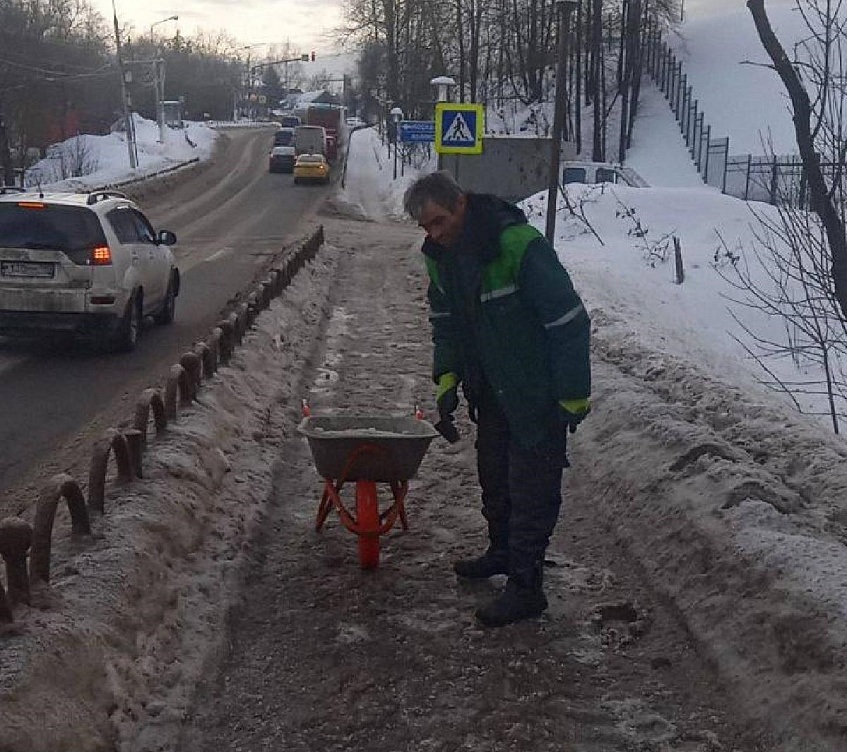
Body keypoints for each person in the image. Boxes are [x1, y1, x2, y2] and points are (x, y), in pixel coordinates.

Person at [403, 171, 591, 628]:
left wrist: (571, 395)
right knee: (495, 478)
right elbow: (446, 323)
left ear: (462, 204)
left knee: (532, 489)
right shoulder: (442, 259)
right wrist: (448, 378)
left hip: (535, 392)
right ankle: (503, 553)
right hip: (490, 390)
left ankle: (527, 588)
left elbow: (569, 320)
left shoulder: (519, 246)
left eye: (440, 221)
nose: (435, 233)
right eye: (426, 227)